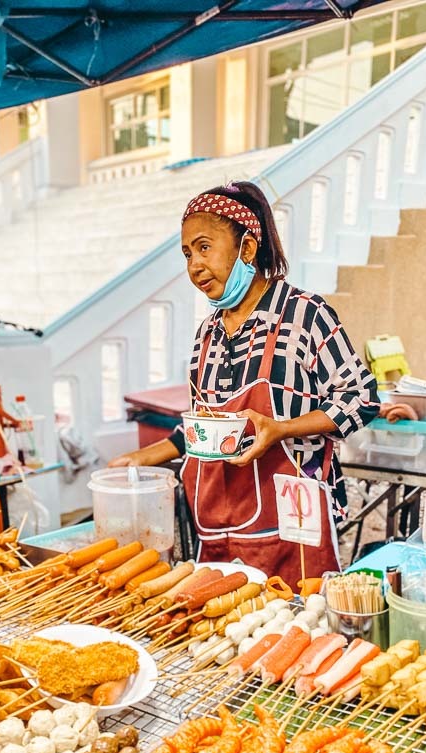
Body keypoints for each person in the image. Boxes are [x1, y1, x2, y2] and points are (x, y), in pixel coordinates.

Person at [109, 181, 380, 583]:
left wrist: (282, 429)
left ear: (247, 249)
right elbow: (202, 428)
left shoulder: (304, 315)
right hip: (218, 527)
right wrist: (141, 459)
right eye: (186, 254)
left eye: (204, 248)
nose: (194, 266)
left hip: (292, 525)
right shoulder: (208, 333)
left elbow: (361, 398)